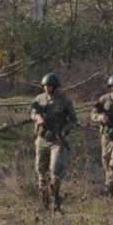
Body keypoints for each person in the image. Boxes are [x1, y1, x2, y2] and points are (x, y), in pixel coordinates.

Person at [30, 73, 78, 211]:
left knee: (55, 170)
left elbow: (74, 121)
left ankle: (55, 199)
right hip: (42, 139)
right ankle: (43, 201)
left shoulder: (65, 101)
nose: (47, 88)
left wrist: (64, 131)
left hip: (57, 141)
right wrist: (37, 117)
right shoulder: (39, 99)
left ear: (55, 86)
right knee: (40, 170)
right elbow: (32, 112)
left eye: (49, 86)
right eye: (45, 86)